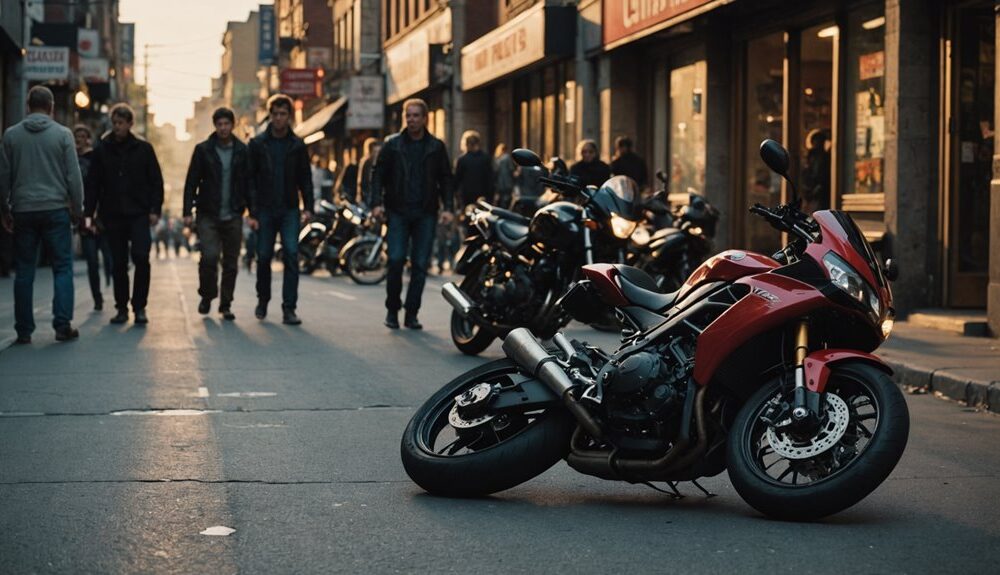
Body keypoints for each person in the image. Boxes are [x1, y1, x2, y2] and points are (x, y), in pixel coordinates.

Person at [0, 86, 84, 343]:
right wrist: (77, 208)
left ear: (28, 106)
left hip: (24, 210)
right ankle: (62, 325)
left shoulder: (11, 136)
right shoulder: (63, 135)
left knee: (25, 270)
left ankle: (24, 329)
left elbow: (4, 176)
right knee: (62, 267)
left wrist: (4, 208)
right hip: (56, 209)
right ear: (51, 107)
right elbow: (74, 176)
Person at [371, 98, 454, 330]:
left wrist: (448, 208)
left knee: (419, 264)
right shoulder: (392, 144)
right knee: (396, 260)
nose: (411, 119)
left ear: (425, 118)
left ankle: (411, 313)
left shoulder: (436, 147)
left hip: (426, 213)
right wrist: (376, 204)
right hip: (397, 211)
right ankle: (392, 309)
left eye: (416, 115)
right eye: (408, 115)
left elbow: (446, 179)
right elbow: (378, 175)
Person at [85, 103, 164, 325]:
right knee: (118, 263)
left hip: (139, 212)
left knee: (141, 257)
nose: (117, 127)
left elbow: (156, 181)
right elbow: (93, 184)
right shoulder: (102, 150)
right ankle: (121, 308)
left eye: (121, 123)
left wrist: (155, 209)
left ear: (130, 124)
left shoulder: (143, 149)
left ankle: (139, 306)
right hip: (113, 214)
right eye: (115, 123)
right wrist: (89, 214)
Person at [247, 93, 314, 325]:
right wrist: (252, 212)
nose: (278, 118)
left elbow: (305, 178)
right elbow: (250, 181)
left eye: (283, 114)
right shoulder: (256, 144)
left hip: (289, 209)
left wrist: (309, 207)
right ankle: (263, 299)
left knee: (291, 255)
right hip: (264, 210)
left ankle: (289, 308)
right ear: (270, 115)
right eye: (275, 114)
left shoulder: (297, 145)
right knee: (264, 256)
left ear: (289, 116)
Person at [183, 107, 251, 321]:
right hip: (208, 214)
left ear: (233, 125)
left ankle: (226, 304)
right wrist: (187, 211)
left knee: (231, 262)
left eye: (226, 124)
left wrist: (252, 210)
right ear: (215, 126)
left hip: (233, 213)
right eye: (219, 124)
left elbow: (250, 184)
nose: (223, 128)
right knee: (209, 257)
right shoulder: (203, 150)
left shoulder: (242, 150)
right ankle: (207, 295)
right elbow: (191, 182)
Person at [74, 124, 113, 311]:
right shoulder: (70, 159)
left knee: (107, 253)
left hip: (101, 214)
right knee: (91, 259)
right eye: (76, 136)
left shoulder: (96, 158)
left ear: (88, 138)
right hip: (84, 215)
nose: (79, 140)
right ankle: (97, 297)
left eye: (82, 136)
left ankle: (111, 281)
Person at [454, 130, 492, 208]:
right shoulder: (486, 158)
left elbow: (456, 181)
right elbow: (490, 180)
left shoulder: (462, 159)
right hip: (483, 197)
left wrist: (457, 200)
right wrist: (490, 197)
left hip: (466, 198)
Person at [801, 128, 831, 213]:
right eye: (816, 141)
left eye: (820, 141)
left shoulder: (825, 157)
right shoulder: (810, 156)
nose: (818, 143)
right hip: (812, 190)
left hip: (821, 192)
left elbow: (823, 174)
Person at [358, 137, 381, 205]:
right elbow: (362, 181)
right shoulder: (366, 163)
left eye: (378, 152)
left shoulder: (382, 162)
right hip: (367, 196)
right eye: (374, 151)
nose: (376, 154)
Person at [493, 143, 516, 209]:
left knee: (501, 198)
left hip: (500, 183)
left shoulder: (497, 159)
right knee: (507, 199)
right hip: (507, 182)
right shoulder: (507, 157)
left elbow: (495, 171)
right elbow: (511, 169)